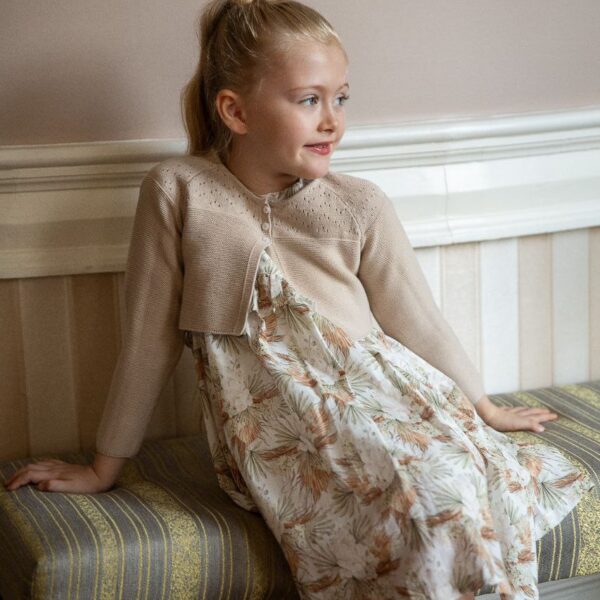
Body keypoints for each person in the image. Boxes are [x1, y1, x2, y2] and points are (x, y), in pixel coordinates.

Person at [4, 1, 594, 598]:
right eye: (309, 100)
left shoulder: (360, 203)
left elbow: (418, 320)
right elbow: (148, 339)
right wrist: (105, 465)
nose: (332, 120)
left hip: (385, 398)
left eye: (342, 98)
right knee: (418, 503)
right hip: (279, 433)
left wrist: (485, 408)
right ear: (235, 111)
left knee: (456, 483)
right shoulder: (179, 191)